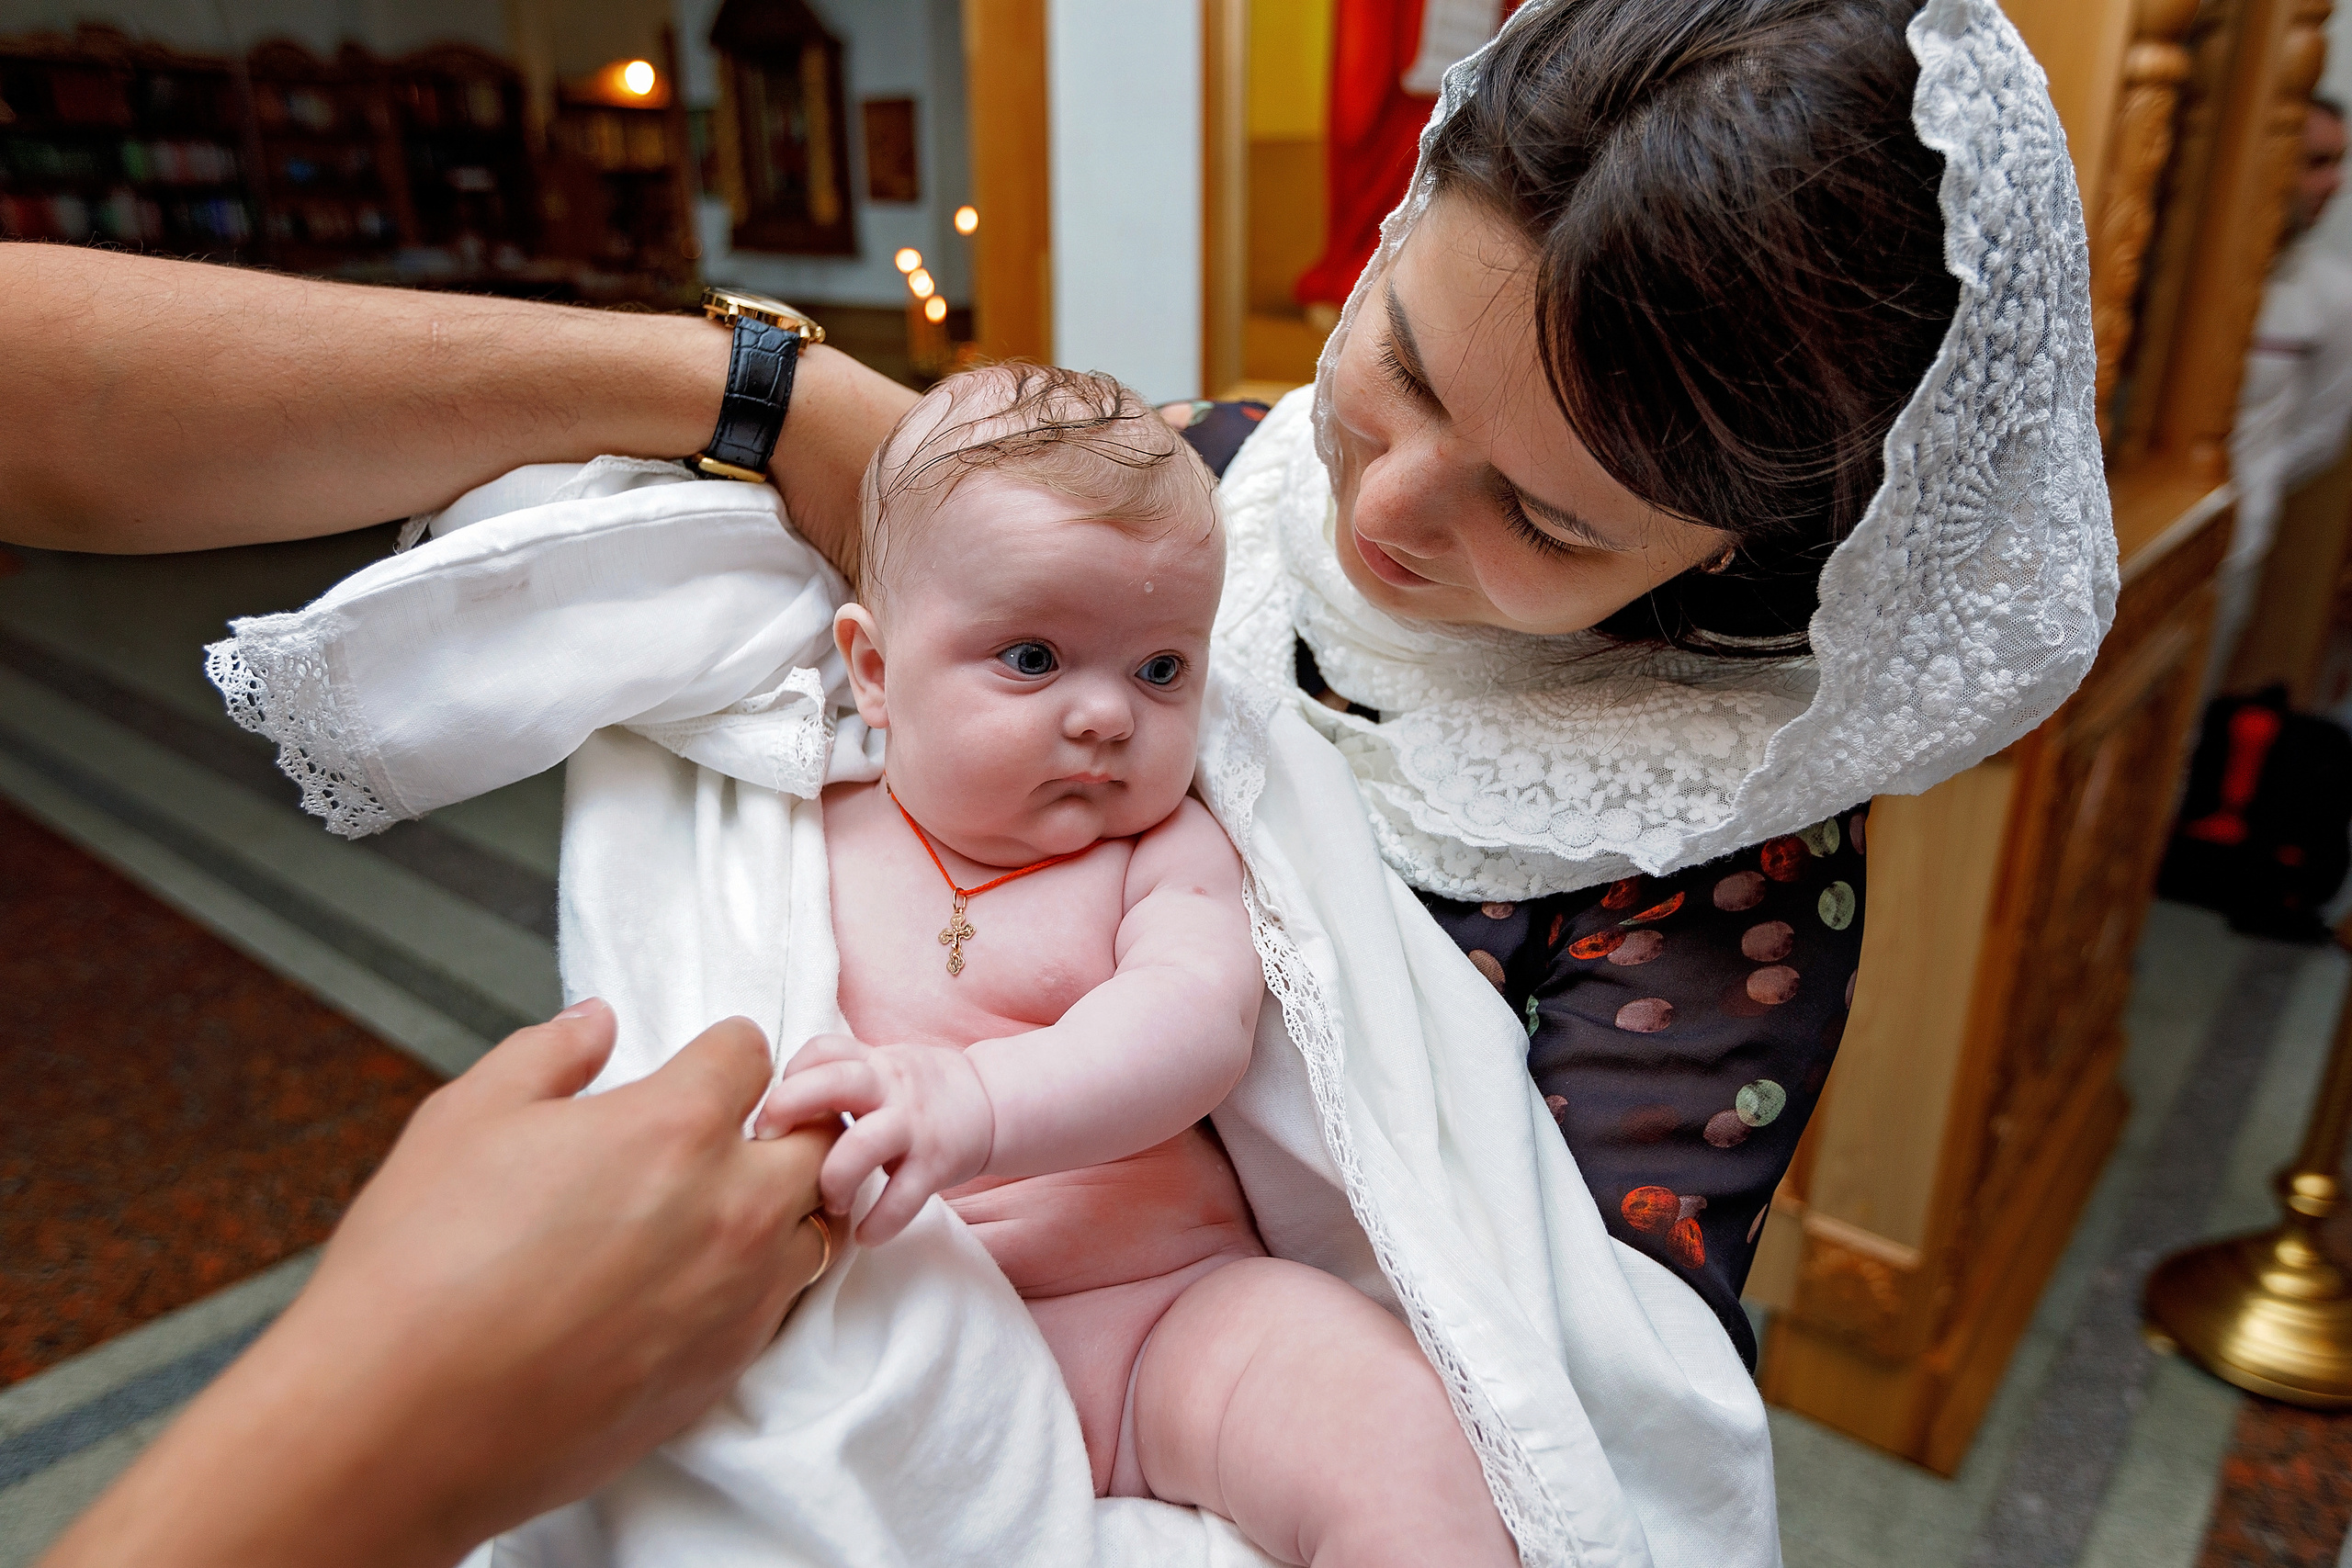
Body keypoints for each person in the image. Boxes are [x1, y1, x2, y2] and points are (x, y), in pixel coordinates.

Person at [7, 0, 2110, 1561]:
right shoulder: (1158, 499)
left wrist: (1003, 1097)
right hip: (887, 1277)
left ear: (1726, 560)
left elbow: (1535, 1312)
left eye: (1546, 523)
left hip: (1181, 1286)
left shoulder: (1706, 853)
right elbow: (798, 655)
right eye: (1388, 370)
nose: (1382, 510)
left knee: (1398, 1452)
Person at [747, 362, 1511, 1562]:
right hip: (904, 1332)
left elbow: (1191, 1026)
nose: (1108, 715)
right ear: (878, 670)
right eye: (1035, 657)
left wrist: (980, 1097)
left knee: (1403, 1434)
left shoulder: (1167, 848)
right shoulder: (799, 842)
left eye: (1161, 668)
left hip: (1164, 1314)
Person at [2222, 94, 2352, 676]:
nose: (2333, 183)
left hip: (2235, 547)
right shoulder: (2182, 266)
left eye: (2337, 163)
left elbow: (2318, 434)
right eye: (2314, 162)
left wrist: (2251, 482)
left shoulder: (2333, 297)